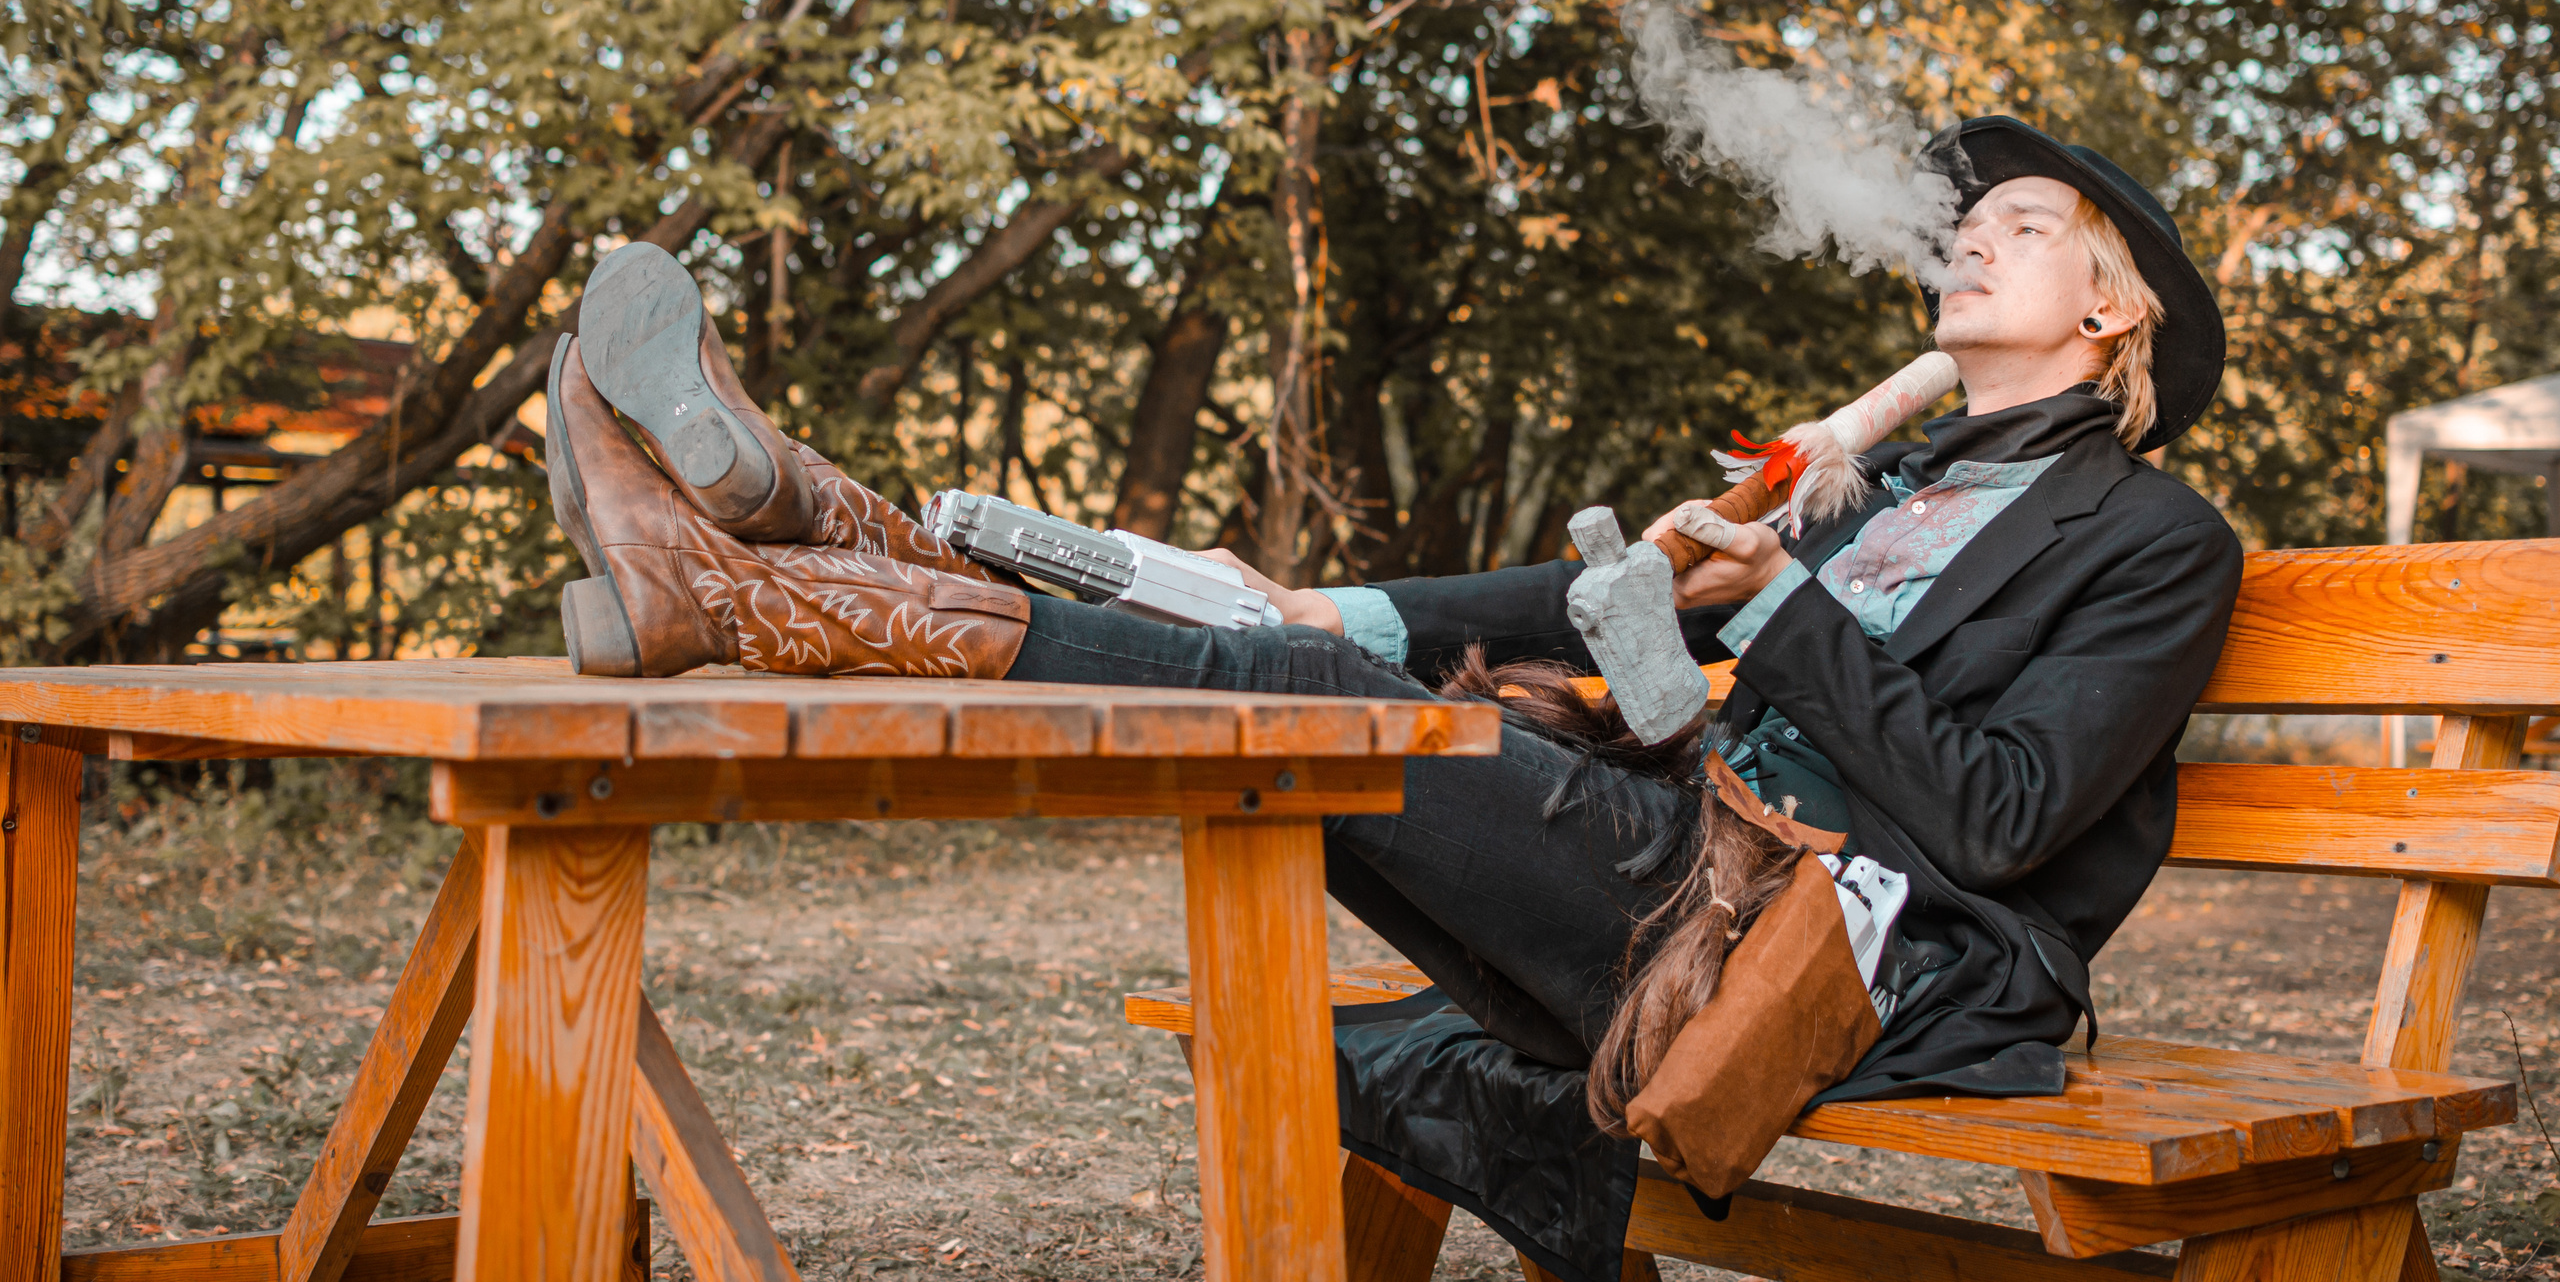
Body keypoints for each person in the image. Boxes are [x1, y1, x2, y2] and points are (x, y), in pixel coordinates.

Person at [545, 115, 2241, 1282]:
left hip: (1836, 957)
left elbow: (2003, 818)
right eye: (1968, 222)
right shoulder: (1879, 492)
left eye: (2024, 230)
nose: (1970, 239)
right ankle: (808, 531)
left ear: (2113, 309)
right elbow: (1586, 601)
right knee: (1305, 671)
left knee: (1298, 710)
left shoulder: (2159, 542)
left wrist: (1780, 601)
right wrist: (1337, 601)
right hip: (1681, 868)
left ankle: (767, 577)